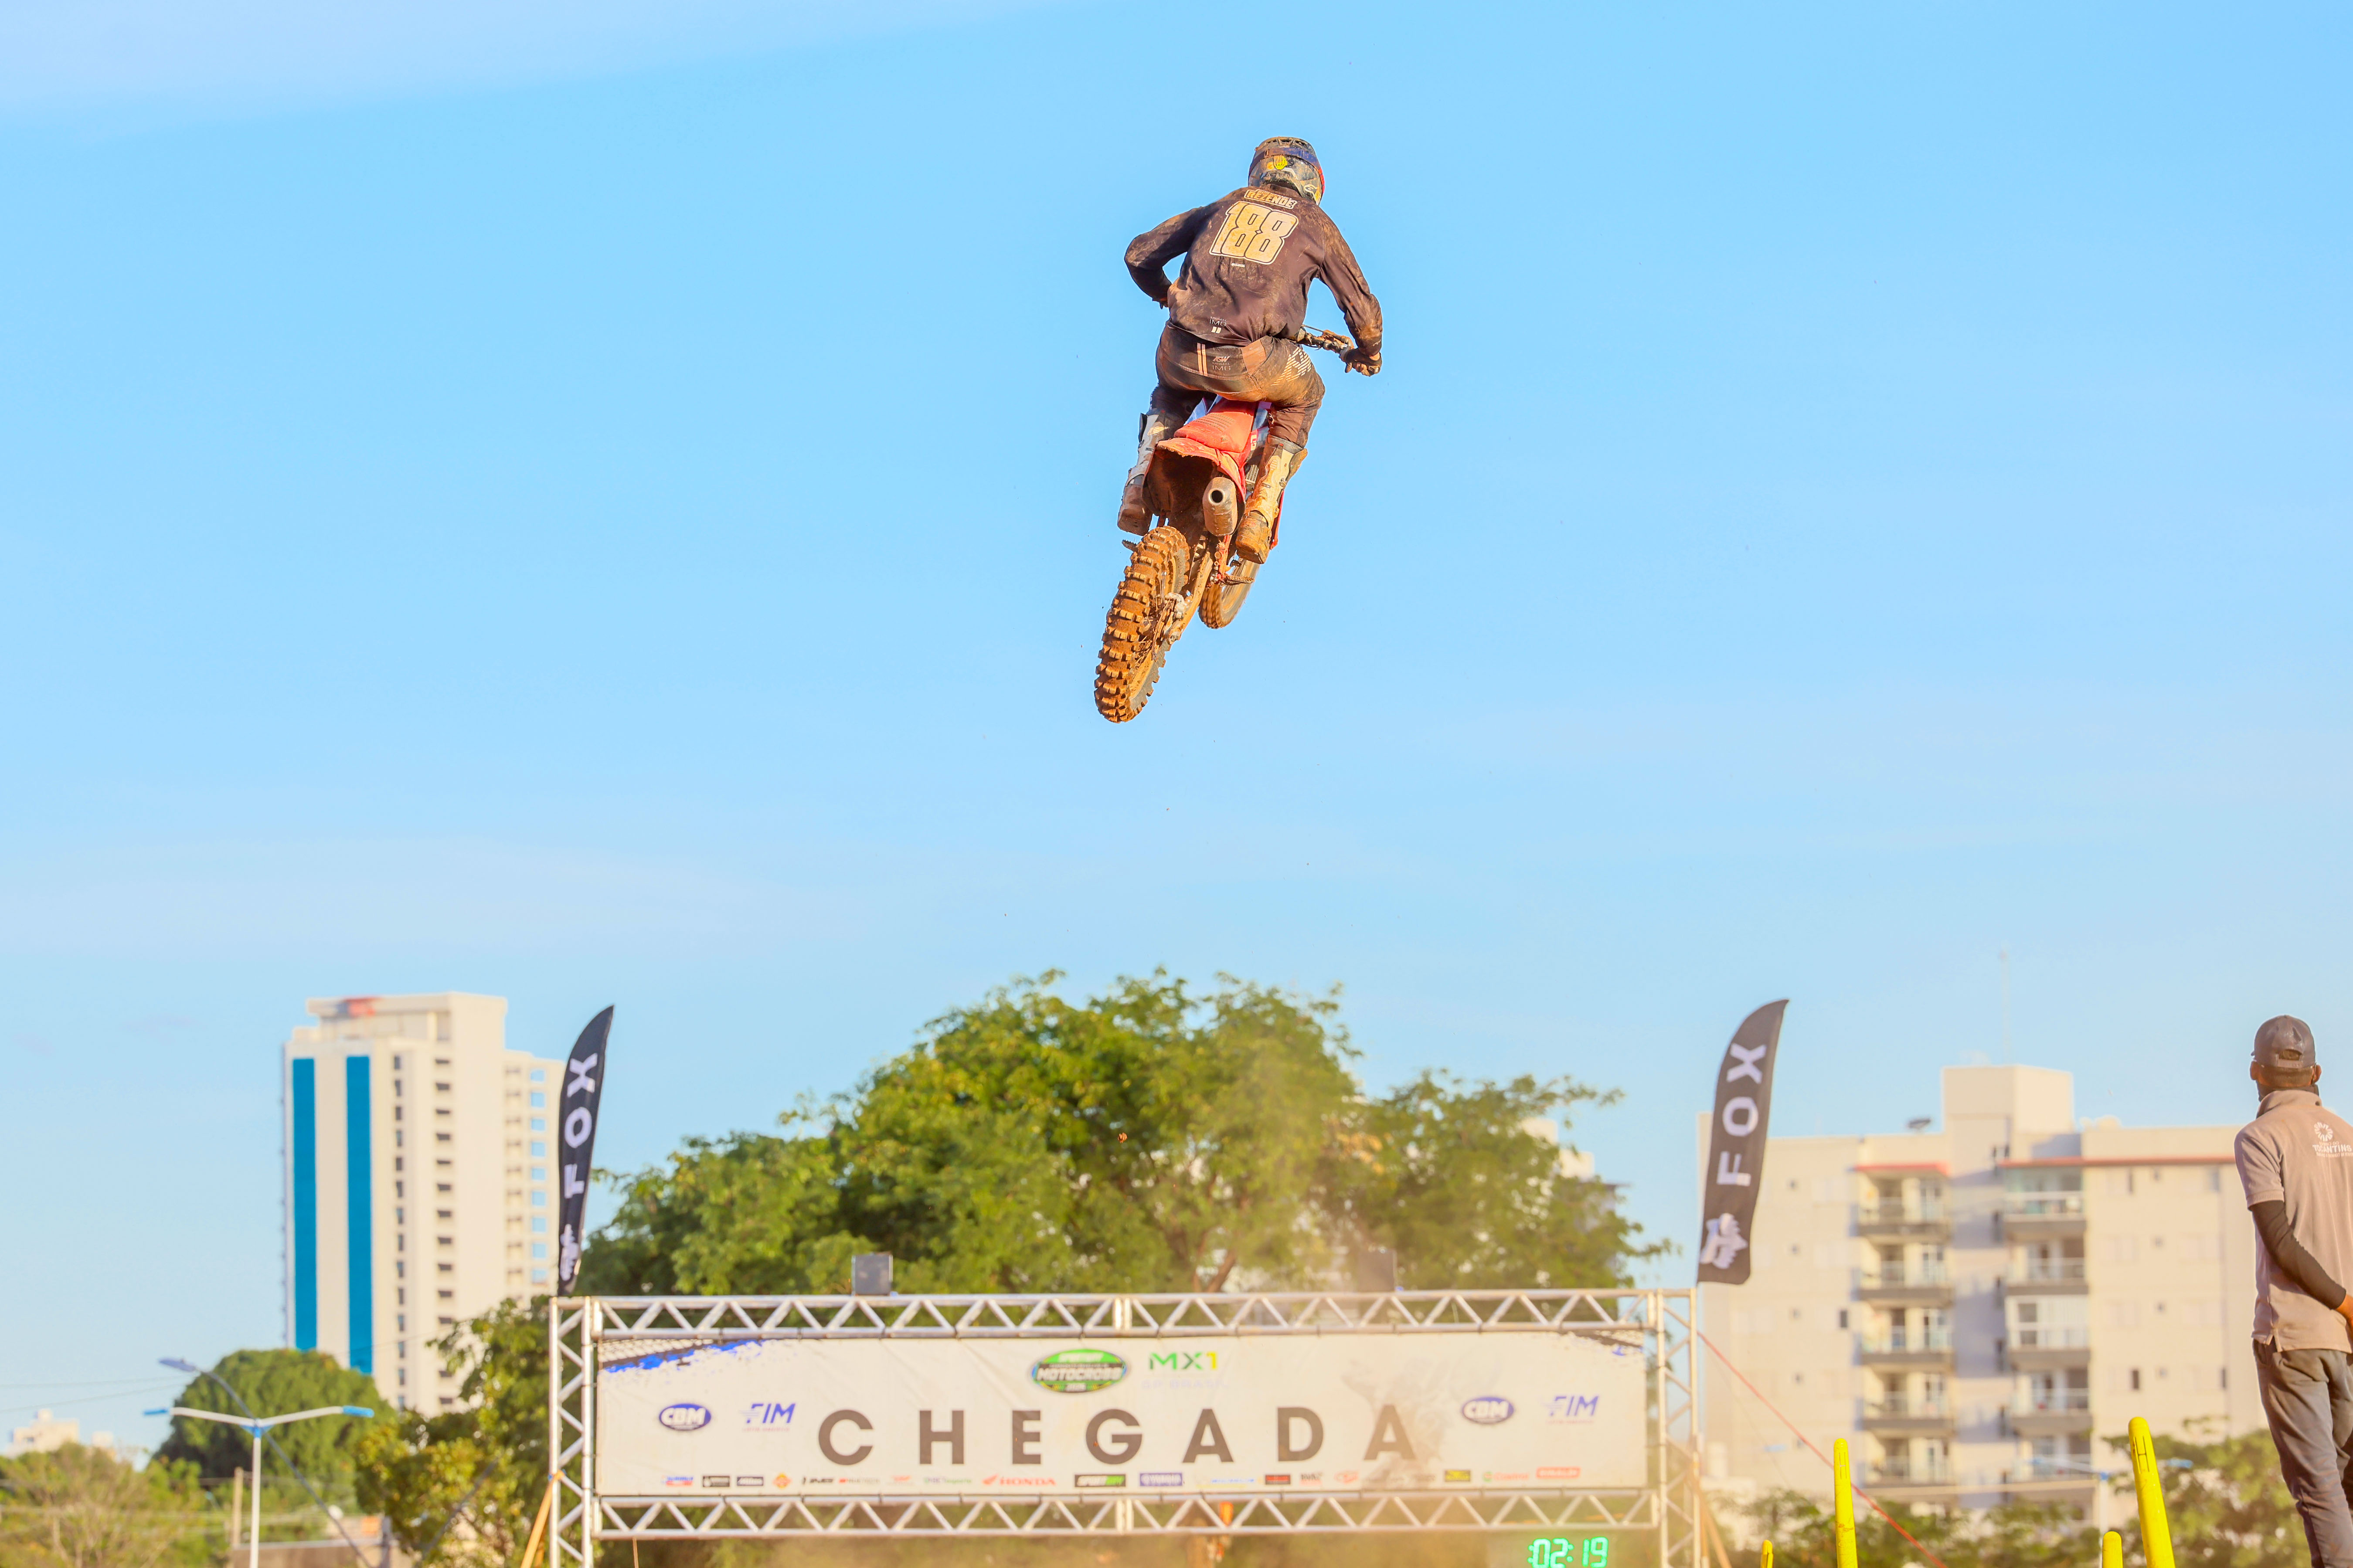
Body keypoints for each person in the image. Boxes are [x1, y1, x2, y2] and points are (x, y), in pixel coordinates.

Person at [1115, 137, 1384, 563]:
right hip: (1250, 360)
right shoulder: (1316, 223)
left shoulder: (1224, 205)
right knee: (1308, 393)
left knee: (1169, 395)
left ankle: (1135, 488)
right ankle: (1261, 507)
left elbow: (1138, 254)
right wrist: (1368, 352)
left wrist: (1166, 294)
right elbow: (1363, 311)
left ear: (1260, 172)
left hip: (1179, 350)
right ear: (1313, 181)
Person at [2236, 1015, 2353, 1568]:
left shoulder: (2258, 1137)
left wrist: (2342, 1302)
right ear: (2318, 1073)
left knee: (2320, 1488)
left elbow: (2279, 1242)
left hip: (2296, 1336)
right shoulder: (2349, 1137)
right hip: (2348, 1339)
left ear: (2255, 1072)